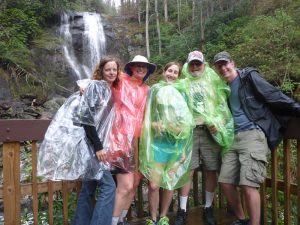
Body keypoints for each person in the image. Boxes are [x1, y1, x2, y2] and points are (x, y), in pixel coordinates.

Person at [213, 51, 300, 225]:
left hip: (253, 134)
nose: (223, 68)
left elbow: (271, 94)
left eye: (225, 64)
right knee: (225, 182)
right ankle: (241, 218)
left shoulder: (248, 77)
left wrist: (296, 107)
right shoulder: (222, 88)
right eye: (219, 66)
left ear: (233, 63)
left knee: (248, 184)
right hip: (232, 138)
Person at [38, 57, 121, 225]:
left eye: (114, 69)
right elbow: (86, 119)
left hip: (93, 144)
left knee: (89, 187)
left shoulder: (105, 88)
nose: (111, 72)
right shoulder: (96, 87)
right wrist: (98, 147)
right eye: (108, 70)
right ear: (101, 71)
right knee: (109, 187)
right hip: (92, 145)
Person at [174, 51, 234, 225]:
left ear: (204, 65)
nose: (195, 67)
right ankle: (183, 209)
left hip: (210, 131)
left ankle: (208, 207)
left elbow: (222, 104)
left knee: (211, 169)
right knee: (187, 169)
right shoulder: (182, 83)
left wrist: (217, 122)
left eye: (198, 64)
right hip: (189, 131)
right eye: (192, 64)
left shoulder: (213, 80)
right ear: (187, 65)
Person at [139, 62, 194, 225]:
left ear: (178, 75)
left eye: (175, 72)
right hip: (158, 144)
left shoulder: (182, 92)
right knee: (154, 185)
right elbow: (147, 116)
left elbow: (186, 123)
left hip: (176, 146)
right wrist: (156, 125)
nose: (172, 74)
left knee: (170, 183)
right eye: (169, 71)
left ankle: (163, 216)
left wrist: (184, 149)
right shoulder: (154, 90)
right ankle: (153, 217)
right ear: (164, 72)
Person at [109, 55, 156, 225]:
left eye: (144, 66)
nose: (141, 69)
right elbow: (104, 81)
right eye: (137, 66)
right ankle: (113, 222)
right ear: (131, 68)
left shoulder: (147, 89)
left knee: (135, 182)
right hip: (120, 138)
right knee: (125, 185)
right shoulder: (121, 80)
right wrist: (84, 88)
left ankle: (121, 219)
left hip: (139, 141)